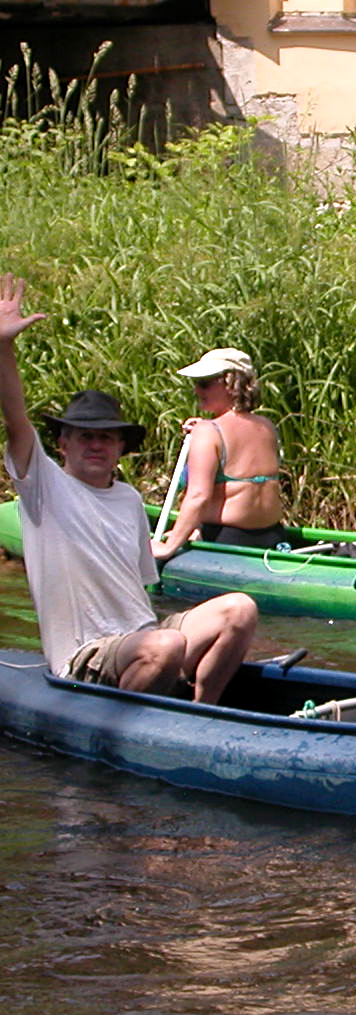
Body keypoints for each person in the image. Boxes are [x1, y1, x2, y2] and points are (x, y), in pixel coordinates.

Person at [0, 274, 257, 704]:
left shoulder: (129, 499)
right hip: (85, 654)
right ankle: (125, 715)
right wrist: (3, 348)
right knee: (166, 646)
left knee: (239, 609)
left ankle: (202, 710)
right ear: (63, 444)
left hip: (145, 638)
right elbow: (16, 420)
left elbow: (140, 586)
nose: (96, 445)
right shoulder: (45, 486)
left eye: (106, 437)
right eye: (85, 436)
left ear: (120, 447)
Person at [151, 347, 286, 559]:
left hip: (226, 539)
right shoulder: (266, 426)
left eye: (204, 384)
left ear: (231, 384)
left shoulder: (208, 432)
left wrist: (169, 547)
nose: (197, 391)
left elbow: (198, 496)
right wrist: (207, 428)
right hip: (272, 536)